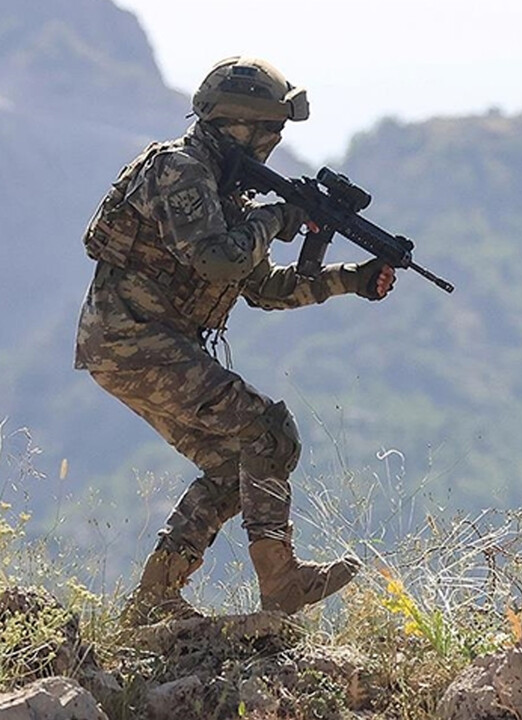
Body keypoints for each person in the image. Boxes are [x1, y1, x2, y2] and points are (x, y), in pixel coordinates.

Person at [74, 56, 395, 626]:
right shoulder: (180, 171)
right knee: (269, 431)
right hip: (132, 340)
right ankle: (282, 582)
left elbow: (265, 289)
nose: (274, 142)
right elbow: (218, 260)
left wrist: (354, 279)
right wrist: (278, 218)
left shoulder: (223, 192)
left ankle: (154, 598)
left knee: (233, 468)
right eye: (270, 129)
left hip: (141, 344)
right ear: (236, 125)